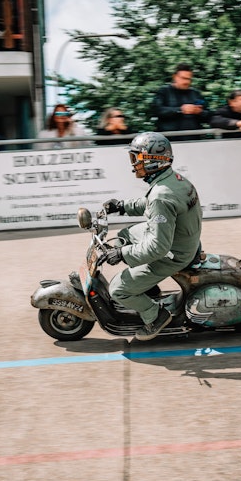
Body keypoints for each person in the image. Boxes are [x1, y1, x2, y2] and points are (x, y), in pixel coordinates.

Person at [100, 132, 203, 342]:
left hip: (174, 253)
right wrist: (122, 206)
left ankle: (156, 316)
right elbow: (150, 206)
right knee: (124, 235)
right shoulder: (173, 180)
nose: (133, 164)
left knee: (117, 290)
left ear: (152, 160)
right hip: (182, 239)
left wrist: (122, 254)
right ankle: (146, 286)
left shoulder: (161, 196)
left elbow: (158, 248)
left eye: (136, 158)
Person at [150, 63, 210, 139]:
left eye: (189, 79)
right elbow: (157, 110)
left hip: (194, 140)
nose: (186, 82)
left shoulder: (196, 94)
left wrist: (199, 112)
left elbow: (209, 115)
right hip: (169, 140)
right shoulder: (164, 91)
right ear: (175, 77)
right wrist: (180, 110)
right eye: (183, 78)